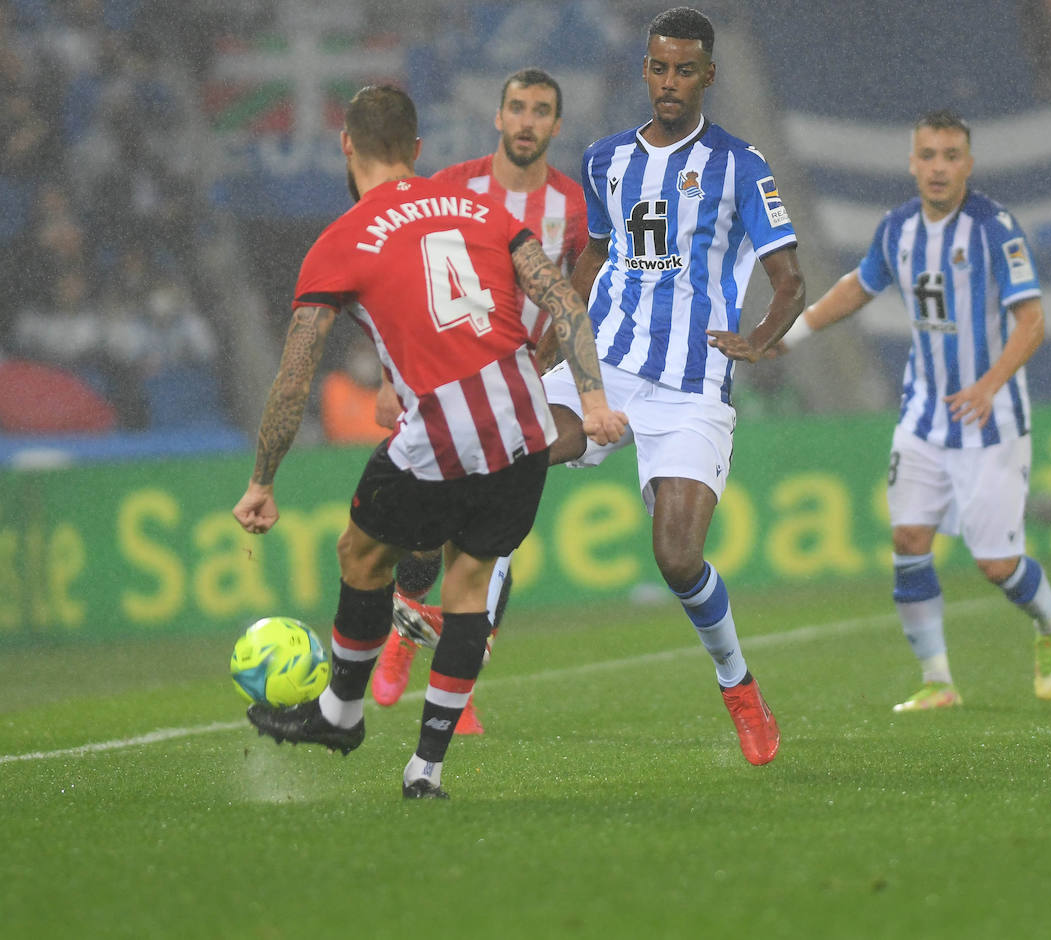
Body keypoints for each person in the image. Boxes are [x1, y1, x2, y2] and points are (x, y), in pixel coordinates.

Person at [231, 84, 626, 799]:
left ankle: (341, 713)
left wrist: (263, 480)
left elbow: (294, 378)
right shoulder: (483, 210)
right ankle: (426, 771)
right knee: (470, 585)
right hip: (527, 424)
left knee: (360, 551)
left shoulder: (342, 239)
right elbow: (564, 300)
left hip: (445, 428)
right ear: (416, 151)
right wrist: (592, 399)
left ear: (346, 145)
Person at [536, 7, 805, 765]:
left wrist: (758, 340)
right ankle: (452, 622)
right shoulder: (605, 160)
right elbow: (588, 262)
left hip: (691, 386)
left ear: (708, 75)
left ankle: (738, 683)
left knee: (679, 558)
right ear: (644, 69)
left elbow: (790, 278)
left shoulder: (742, 165)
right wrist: (548, 343)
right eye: (659, 67)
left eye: (685, 69)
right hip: (606, 367)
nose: (669, 82)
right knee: (519, 451)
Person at [781, 109, 1051, 711]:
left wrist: (991, 384)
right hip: (922, 417)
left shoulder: (995, 229)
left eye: (950, 155)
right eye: (928, 155)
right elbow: (858, 287)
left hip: (990, 422)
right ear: (912, 162)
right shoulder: (896, 230)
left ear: (968, 163)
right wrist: (789, 335)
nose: (938, 167)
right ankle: (939, 680)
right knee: (909, 538)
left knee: (995, 564)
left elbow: (1032, 320)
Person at [368, 68, 590, 734]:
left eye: (540, 111)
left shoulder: (572, 207)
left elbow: (576, 291)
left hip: (521, 383)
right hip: (443, 373)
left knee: (492, 539)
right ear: (497, 118)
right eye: (516, 108)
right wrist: (386, 375)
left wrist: (555, 358)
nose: (526, 121)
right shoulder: (449, 188)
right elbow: (398, 275)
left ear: (556, 125)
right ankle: (405, 623)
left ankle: (453, 683)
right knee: (429, 523)